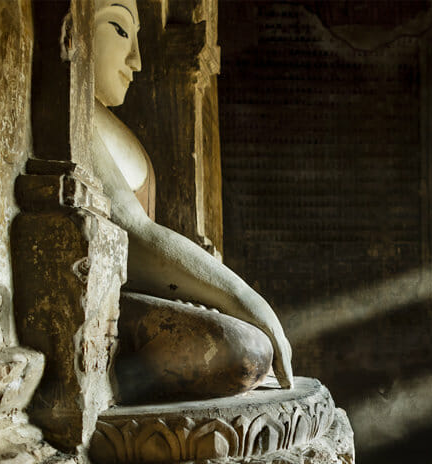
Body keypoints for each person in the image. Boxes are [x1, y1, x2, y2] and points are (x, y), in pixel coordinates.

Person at [87, 0, 293, 402]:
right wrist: (251, 302)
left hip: (146, 293)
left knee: (249, 345)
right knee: (244, 350)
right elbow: (135, 233)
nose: (137, 61)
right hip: (105, 305)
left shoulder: (111, 124)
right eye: (120, 30)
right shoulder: (76, 117)